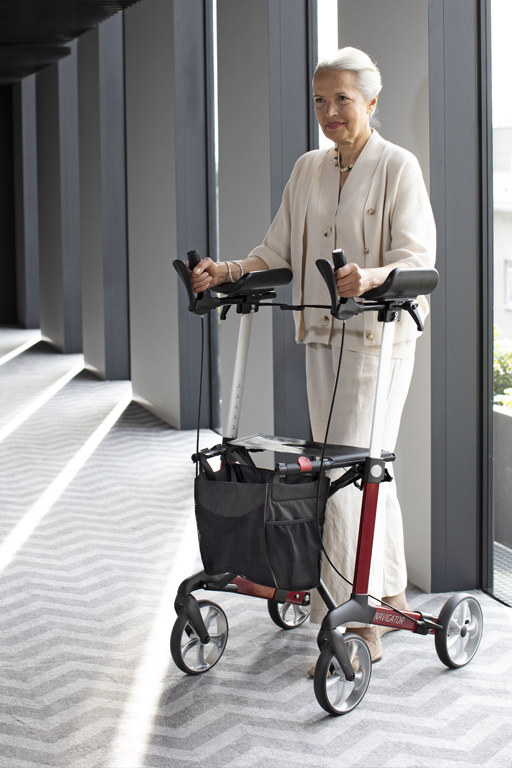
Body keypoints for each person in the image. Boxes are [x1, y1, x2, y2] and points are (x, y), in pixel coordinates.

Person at [190, 47, 436, 669]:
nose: (329, 112)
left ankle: (354, 619)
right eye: (320, 100)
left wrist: (372, 276)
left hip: (378, 341)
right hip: (322, 339)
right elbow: (275, 250)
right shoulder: (308, 169)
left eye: (342, 99)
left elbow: (418, 257)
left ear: (371, 102)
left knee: (346, 476)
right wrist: (227, 270)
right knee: (363, 470)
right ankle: (390, 594)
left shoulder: (398, 167)